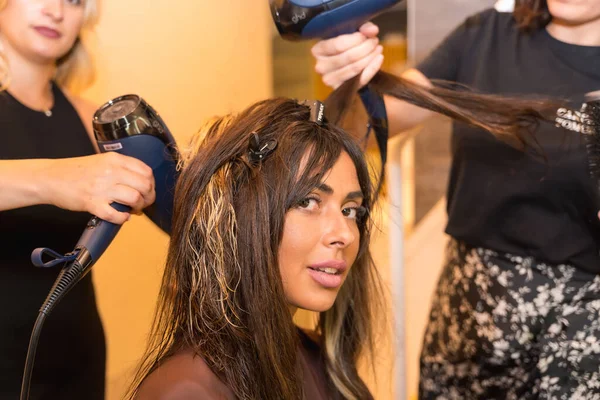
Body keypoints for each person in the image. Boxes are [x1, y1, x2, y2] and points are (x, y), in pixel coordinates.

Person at [311, 0, 600, 398]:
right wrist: (350, 80)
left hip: (582, 313)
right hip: (472, 296)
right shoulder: (487, 35)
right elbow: (375, 122)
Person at [124, 98, 382, 400]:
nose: (344, 235)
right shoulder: (187, 391)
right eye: (307, 202)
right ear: (241, 216)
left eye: (351, 210)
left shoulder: (321, 363)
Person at [0, 0, 156, 398]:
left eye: (74, 1)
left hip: (77, 358)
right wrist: (55, 179)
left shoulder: (92, 122)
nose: (56, 11)